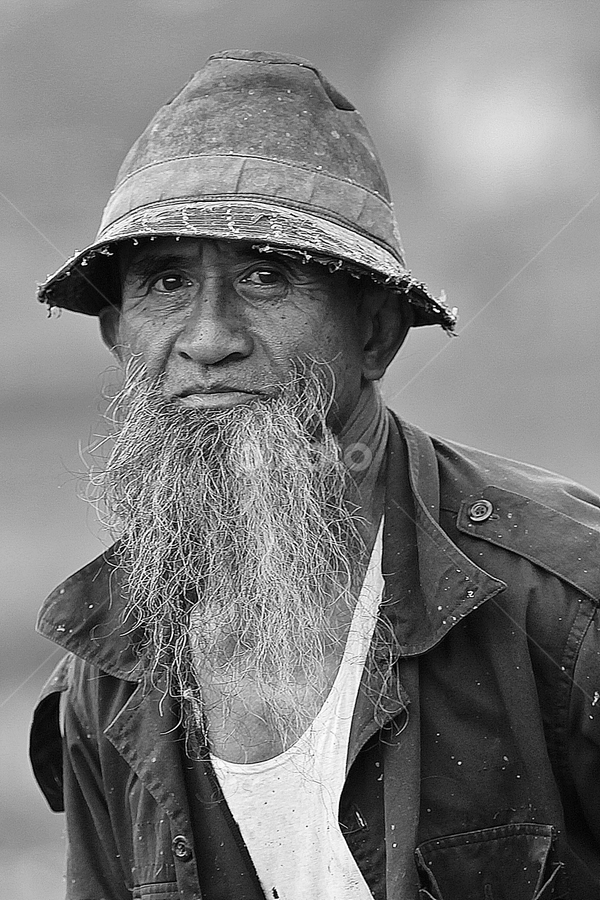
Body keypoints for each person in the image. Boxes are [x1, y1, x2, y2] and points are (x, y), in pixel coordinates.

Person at [30, 50, 600, 900]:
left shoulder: (564, 604)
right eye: (166, 282)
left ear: (375, 333)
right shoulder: (108, 673)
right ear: (118, 338)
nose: (208, 339)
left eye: (266, 277)